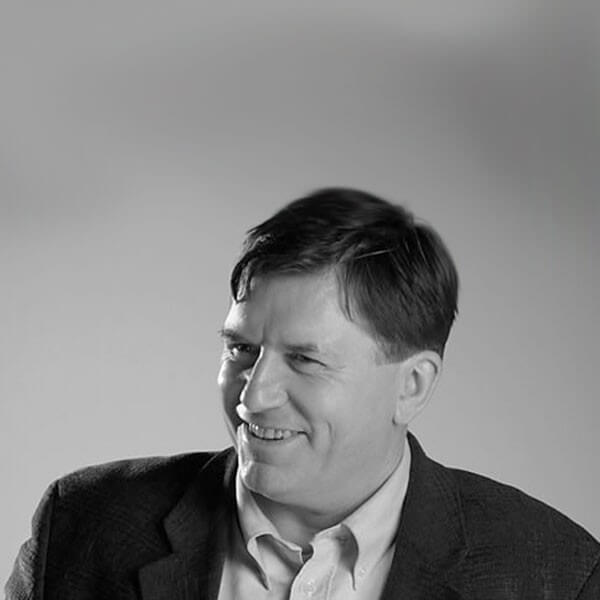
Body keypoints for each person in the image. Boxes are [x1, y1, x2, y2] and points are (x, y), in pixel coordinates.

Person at [6, 188, 599, 599]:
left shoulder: (556, 574)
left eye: (305, 359)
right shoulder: (82, 527)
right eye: (241, 348)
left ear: (411, 386)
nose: (254, 396)